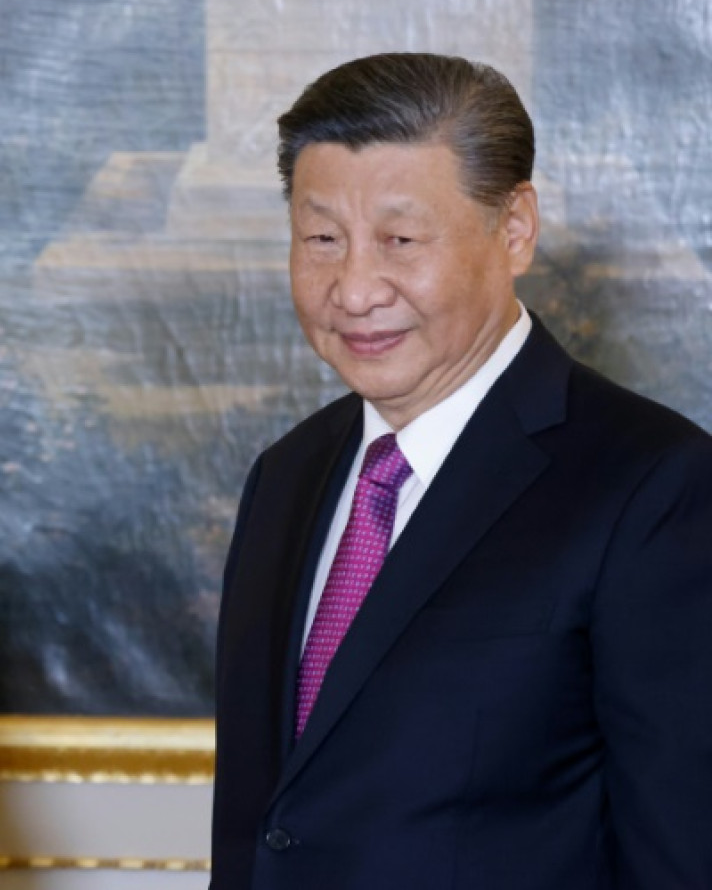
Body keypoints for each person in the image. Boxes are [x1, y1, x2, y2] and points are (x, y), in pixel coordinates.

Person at [211, 53, 712, 888]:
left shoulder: (654, 488)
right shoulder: (287, 476)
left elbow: (685, 855)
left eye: (401, 240)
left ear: (514, 229)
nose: (355, 288)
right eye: (322, 239)